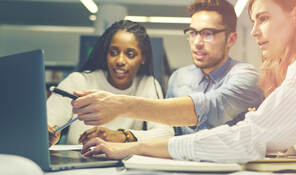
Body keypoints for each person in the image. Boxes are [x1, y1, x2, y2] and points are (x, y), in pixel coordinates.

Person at [80, 0, 296, 174]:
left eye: (264, 19)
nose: (256, 32)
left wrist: (134, 143)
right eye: (192, 33)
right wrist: (129, 137)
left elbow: (248, 137)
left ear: (295, 15)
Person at [71, 0, 264, 135]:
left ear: (231, 38)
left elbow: (212, 106)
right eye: (193, 32)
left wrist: (121, 105)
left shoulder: (247, 76)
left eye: (208, 34)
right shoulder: (179, 78)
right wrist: (124, 141)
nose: (197, 42)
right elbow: (169, 133)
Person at [47, 20, 174, 146]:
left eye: (130, 54)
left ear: (143, 58)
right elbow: (45, 124)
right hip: (78, 161)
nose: (120, 61)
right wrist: (48, 133)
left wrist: (122, 136)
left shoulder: (147, 84)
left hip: (122, 163)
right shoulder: (79, 81)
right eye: (113, 52)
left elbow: (166, 132)